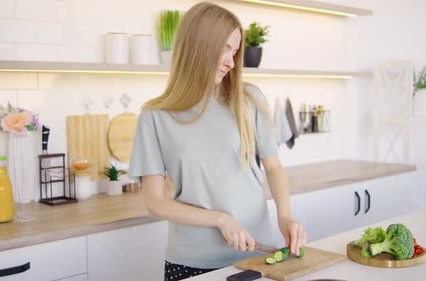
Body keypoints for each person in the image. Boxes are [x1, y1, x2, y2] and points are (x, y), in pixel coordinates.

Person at [129, 2, 307, 280]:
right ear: (198, 45)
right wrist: (220, 219)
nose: (231, 62)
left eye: (235, 51)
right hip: (189, 261)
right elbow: (155, 203)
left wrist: (285, 217)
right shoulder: (155, 115)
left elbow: (273, 167)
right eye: (225, 48)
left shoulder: (249, 100)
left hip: (256, 256)